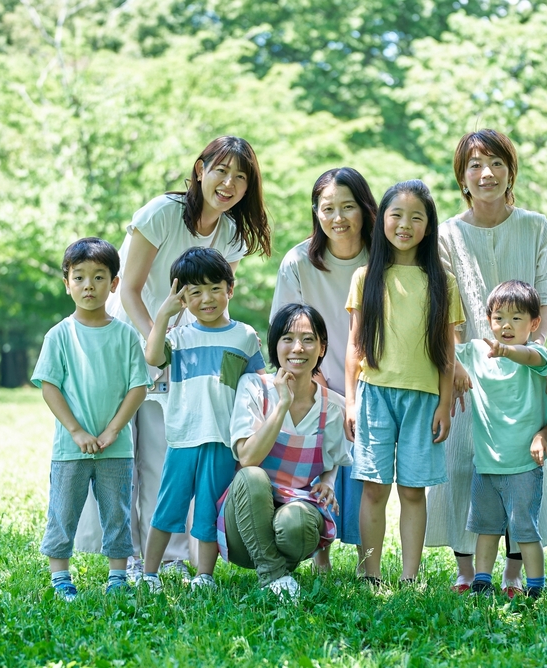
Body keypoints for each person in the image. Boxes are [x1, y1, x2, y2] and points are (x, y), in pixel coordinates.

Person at [74, 136, 271, 581]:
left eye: (241, 177)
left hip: (181, 356)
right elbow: (128, 289)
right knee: (121, 459)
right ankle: (124, 559)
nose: (229, 184)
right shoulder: (161, 213)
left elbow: (215, 299)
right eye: (221, 171)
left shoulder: (231, 234)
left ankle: (171, 559)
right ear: (200, 170)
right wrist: (157, 345)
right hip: (130, 342)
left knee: (164, 458)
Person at [425, 129, 547, 594]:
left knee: (523, 466)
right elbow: (444, 305)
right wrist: (456, 363)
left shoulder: (535, 226)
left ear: (510, 172)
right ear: (462, 177)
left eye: (497, 163)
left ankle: (515, 572)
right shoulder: (447, 234)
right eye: (475, 165)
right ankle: (467, 570)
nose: (487, 173)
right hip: (466, 367)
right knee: (463, 460)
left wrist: (530, 353)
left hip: (524, 366)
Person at [345, 179, 464, 585]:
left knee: (413, 491)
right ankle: (370, 574)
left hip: (424, 399)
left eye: (416, 217)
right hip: (374, 395)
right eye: (396, 215)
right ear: (382, 221)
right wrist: (350, 401)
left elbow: (447, 352)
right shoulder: (366, 277)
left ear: (428, 227)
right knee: (374, 488)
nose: (405, 225)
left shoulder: (443, 283)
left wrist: (444, 404)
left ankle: (410, 578)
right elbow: (355, 345)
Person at [138, 247, 265, 593]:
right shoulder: (178, 338)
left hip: (223, 440)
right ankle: (149, 574)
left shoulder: (245, 336)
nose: (206, 299)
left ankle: (204, 576)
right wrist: (163, 315)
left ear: (230, 289)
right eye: (195, 292)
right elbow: (152, 356)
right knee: (167, 509)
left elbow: (259, 382)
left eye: (214, 288)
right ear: (183, 298)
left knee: (209, 512)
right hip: (183, 438)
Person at [31, 237, 150, 601]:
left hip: (116, 447)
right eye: (79, 277)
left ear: (114, 284)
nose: (89, 286)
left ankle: (118, 576)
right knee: (63, 511)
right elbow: (49, 386)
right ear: (66, 283)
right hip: (71, 448)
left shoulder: (126, 336)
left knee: (117, 513)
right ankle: (60, 578)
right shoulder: (59, 335)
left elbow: (138, 387)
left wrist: (113, 430)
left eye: (99, 277)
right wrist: (77, 431)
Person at [269, 167, 377, 572]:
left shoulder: (381, 259)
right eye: (327, 208)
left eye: (348, 207)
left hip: (372, 381)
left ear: (365, 209)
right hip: (316, 378)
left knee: (367, 473)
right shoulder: (298, 261)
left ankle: (369, 561)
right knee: (316, 465)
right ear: (315, 212)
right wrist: (311, 381)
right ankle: (320, 554)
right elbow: (284, 324)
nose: (338, 218)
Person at [219, 304, 353, 597]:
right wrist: (282, 405)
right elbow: (247, 457)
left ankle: (276, 572)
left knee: (298, 524)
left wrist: (328, 482)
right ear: (275, 344)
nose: (297, 348)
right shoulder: (253, 387)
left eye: (308, 339)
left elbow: (333, 459)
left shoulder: (333, 407)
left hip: (294, 516)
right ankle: (274, 574)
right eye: (288, 338)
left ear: (322, 347)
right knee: (252, 475)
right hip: (243, 523)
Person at [455, 280, 547, 599]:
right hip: (486, 463)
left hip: (524, 465)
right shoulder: (476, 351)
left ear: (534, 323)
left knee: (525, 530)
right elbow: (445, 353)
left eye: (516, 318)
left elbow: (529, 358)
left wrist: (505, 351)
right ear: (489, 320)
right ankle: (482, 581)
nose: (507, 325)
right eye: (499, 318)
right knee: (486, 528)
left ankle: (536, 587)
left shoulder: (537, 354)